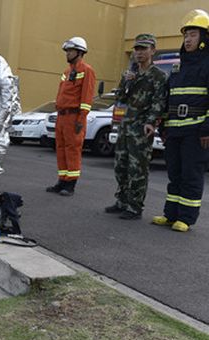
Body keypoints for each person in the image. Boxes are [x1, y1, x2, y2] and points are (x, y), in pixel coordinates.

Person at [152, 10, 209, 232]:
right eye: (186, 35)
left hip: (196, 131)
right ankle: (170, 214)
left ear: (204, 38)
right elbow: (169, 99)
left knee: (191, 175)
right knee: (174, 174)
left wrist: (207, 129)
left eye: (193, 35)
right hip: (175, 131)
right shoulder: (178, 67)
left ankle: (186, 218)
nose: (187, 39)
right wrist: (164, 126)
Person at [105, 34, 168, 220]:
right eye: (137, 49)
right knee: (121, 166)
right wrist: (127, 81)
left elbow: (159, 101)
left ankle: (134, 207)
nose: (139, 53)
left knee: (137, 169)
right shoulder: (130, 73)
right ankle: (122, 201)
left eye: (144, 48)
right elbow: (121, 98)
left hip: (141, 128)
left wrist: (151, 121)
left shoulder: (158, 76)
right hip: (126, 126)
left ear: (153, 51)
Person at [46, 37, 96, 196]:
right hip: (62, 116)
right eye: (67, 51)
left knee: (72, 150)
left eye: (70, 51)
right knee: (60, 149)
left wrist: (81, 119)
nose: (67, 54)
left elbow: (86, 98)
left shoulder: (87, 70)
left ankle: (70, 185)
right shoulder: (67, 72)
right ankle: (62, 180)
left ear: (80, 52)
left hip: (74, 117)